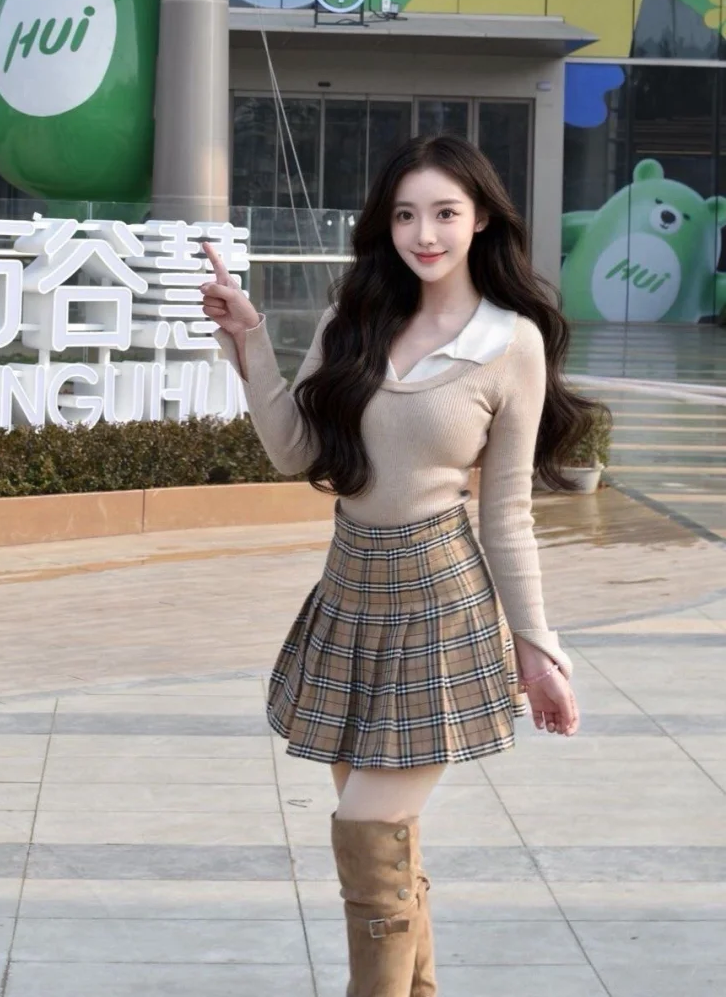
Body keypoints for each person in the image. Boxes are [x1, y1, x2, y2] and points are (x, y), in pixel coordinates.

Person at [200, 133, 595, 997]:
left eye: (445, 213)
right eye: (407, 214)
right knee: (388, 844)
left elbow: (507, 513)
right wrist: (250, 341)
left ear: (480, 219)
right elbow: (295, 450)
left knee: (368, 832)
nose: (425, 233)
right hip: (350, 595)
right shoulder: (355, 323)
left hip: (440, 602)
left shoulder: (512, 343)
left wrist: (537, 648)